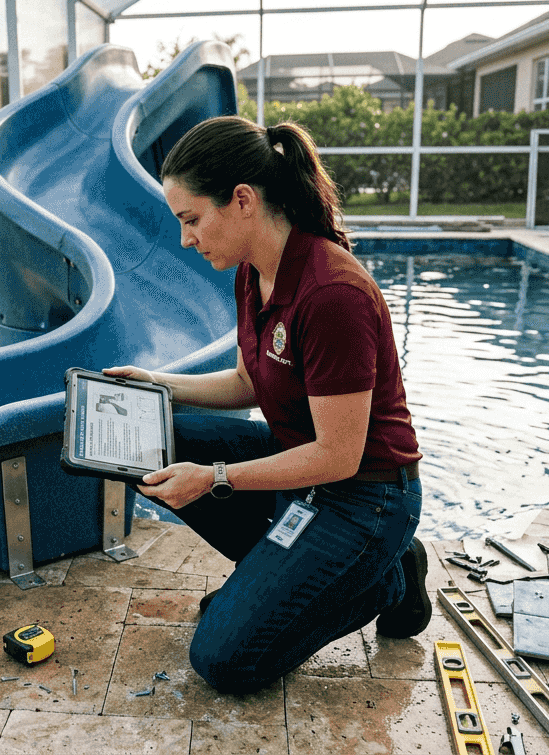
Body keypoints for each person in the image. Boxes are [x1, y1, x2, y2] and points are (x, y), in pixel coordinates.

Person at [104, 115, 429, 695]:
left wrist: (215, 479)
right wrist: (156, 383)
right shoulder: (253, 272)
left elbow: (338, 457)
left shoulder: (332, 293)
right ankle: (291, 578)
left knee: (224, 659)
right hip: (300, 466)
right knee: (150, 440)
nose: (186, 239)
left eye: (192, 220)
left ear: (243, 200)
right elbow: (249, 382)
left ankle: (386, 581)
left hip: (365, 497)